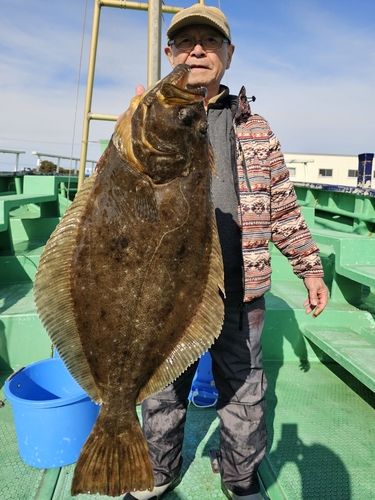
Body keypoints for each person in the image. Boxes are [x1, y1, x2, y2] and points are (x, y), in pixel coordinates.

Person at [124, 4, 329, 500]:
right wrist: (126, 138)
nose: (198, 49)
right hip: (167, 293)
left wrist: (310, 270)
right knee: (162, 392)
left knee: (244, 395)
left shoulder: (259, 132)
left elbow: (283, 208)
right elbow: (111, 204)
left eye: (210, 41)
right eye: (186, 41)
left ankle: (239, 478)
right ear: (170, 53)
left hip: (240, 293)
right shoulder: (141, 120)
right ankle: (157, 472)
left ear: (229, 55)